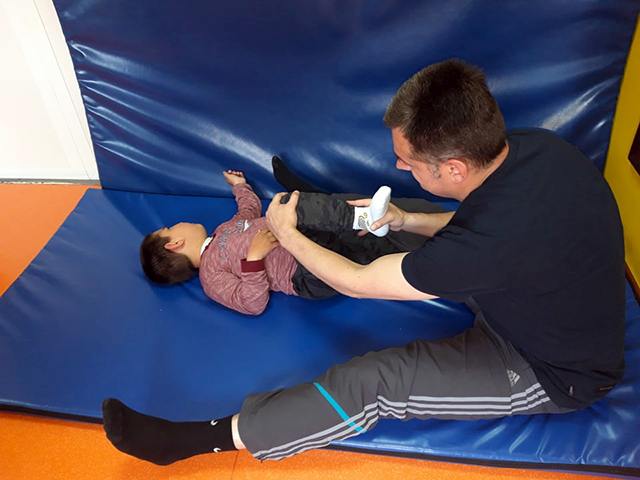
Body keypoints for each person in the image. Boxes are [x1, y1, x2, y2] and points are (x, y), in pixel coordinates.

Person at [102, 59, 625, 464]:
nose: (397, 164)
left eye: (408, 160)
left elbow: (357, 282)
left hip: (550, 367)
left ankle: (195, 440)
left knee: (375, 382)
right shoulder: (534, 148)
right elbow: (472, 220)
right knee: (408, 214)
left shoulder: (490, 246)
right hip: (523, 288)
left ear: (454, 166)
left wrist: (287, 236)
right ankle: (358, 209)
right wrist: (406, 219)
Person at [140, 168, 440, 315]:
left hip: (309, 236)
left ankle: (367, 220)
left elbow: (248, 211)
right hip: (304, 272)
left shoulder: (223, 230)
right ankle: (376, 229)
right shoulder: (211, 276)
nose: (178, 222)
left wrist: (240, 186)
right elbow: (251, 303)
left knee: (286, 206)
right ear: (173, 244)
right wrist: (254, 259)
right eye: (170, 227)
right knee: (367, 255)